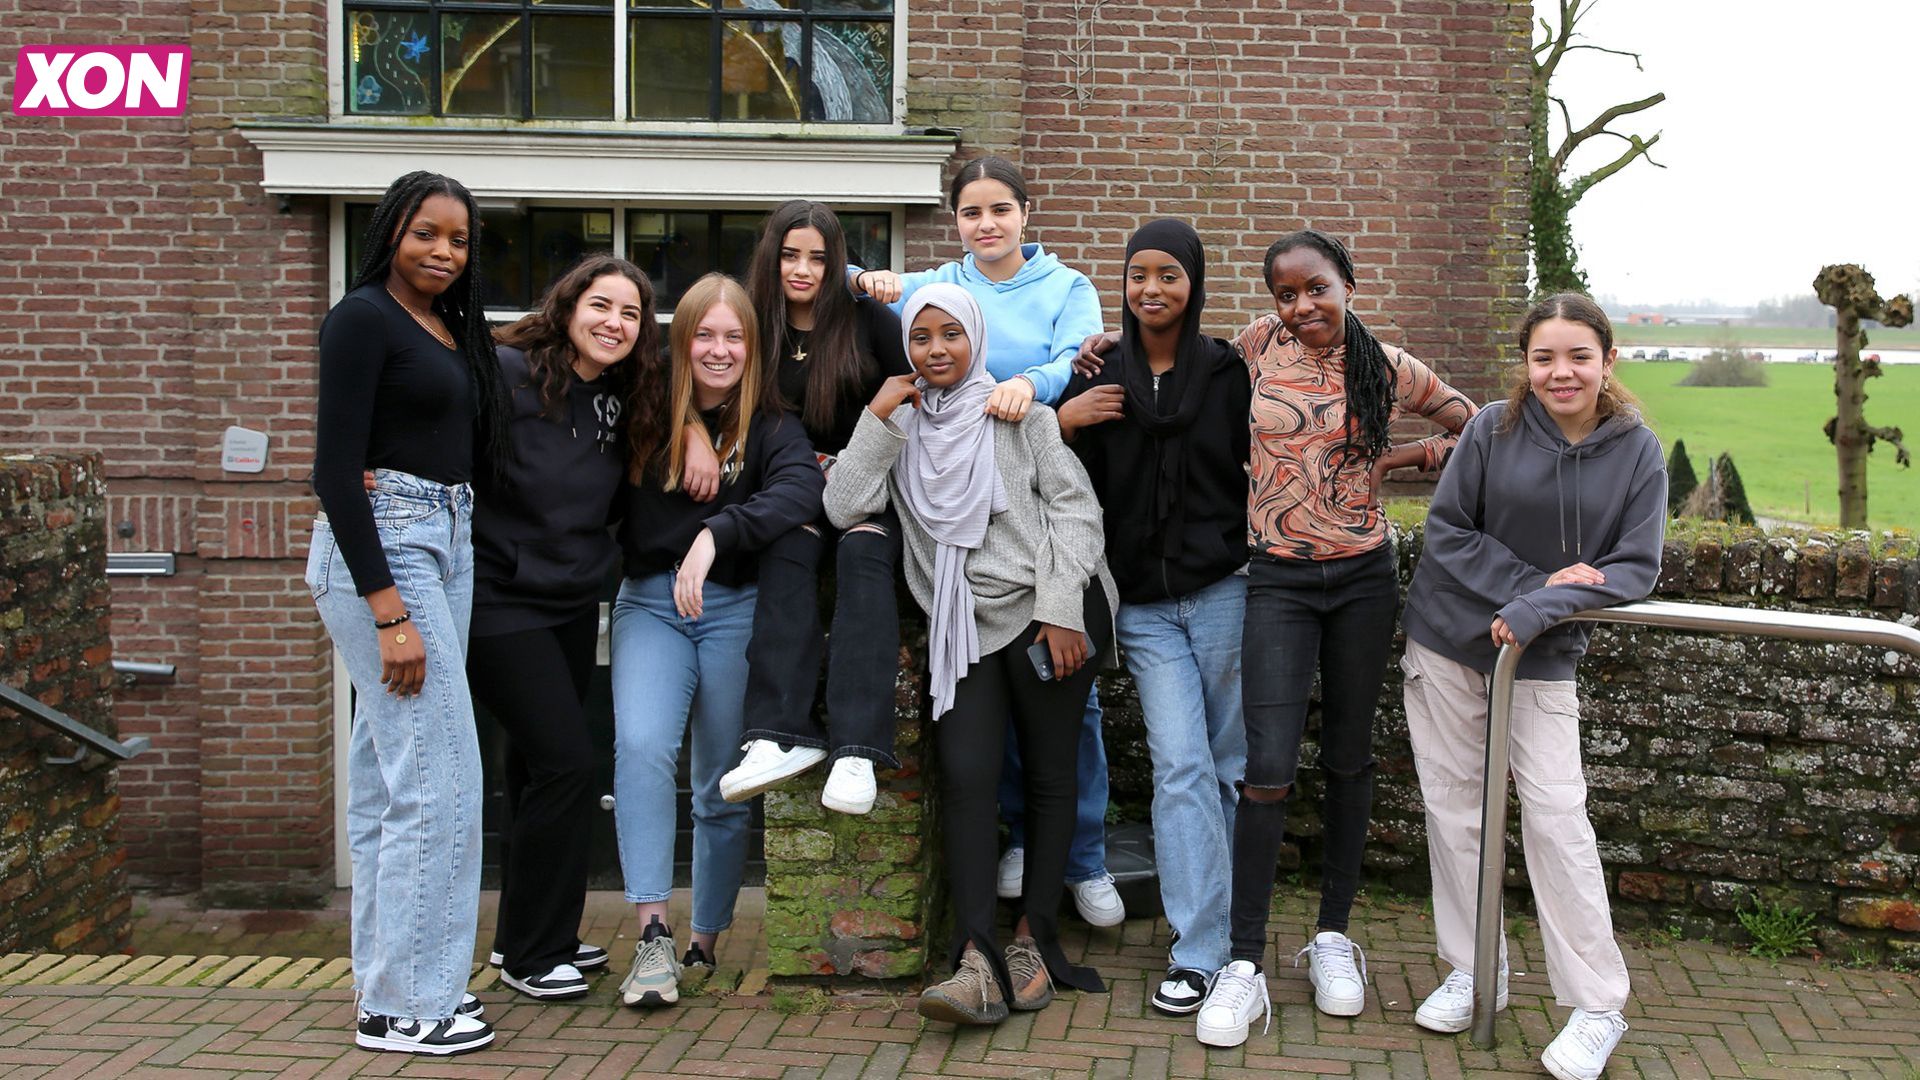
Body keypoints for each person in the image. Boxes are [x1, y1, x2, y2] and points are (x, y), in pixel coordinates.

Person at [1181, 229, 1476, 1047]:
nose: (1302, 305)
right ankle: (1243, 963)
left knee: (1349, 758)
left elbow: (1477, 427)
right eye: (1286, 294)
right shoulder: (1253, 348)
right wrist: (1100, 348)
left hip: (1362, 580)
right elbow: (1177, 367)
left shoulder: (1387, 365)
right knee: (1267, 770)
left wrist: (1403, 458)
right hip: (1276, 580)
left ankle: (1333, 937)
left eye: (1316, 287)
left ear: (1348, 283)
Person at [823, 283, 1117, 1025]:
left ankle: (1031, 939)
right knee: (967, 779)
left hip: (1050, 614)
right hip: (964, 629)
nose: (936, 349)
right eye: (921, 337)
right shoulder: (902, 429)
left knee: (1050, 776)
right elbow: (843, 504)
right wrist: (876, 417)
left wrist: (1060, 609)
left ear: (976, 338)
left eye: (951, 334)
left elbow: (1077, 514)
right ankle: (976, 958)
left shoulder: (1022, 417)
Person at [1401, 293, 1664, 1080]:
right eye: (1544, 357)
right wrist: (1533, 584)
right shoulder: (1492, 428)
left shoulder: (1637, 452)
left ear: (1608, 361)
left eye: (1579, 356)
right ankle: (1475, 967)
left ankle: (1597, 1006)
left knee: (1556, 818)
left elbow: (1634, 567)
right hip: (1447, 640)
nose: (1561, 372)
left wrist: (1539, 607)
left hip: (1541, 655)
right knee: (1455, 810)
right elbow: (1448, 532)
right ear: (1526, 363)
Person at [858, 157, 1124, 927]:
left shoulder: (1065, 286)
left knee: (1070, 712)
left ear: (1025, 212)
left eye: (1000, 209)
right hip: (957, 474)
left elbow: (1073, 361)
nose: (987, 224)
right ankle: (1021, 841)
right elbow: (844, 279)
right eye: (971, 212)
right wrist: (867, 277)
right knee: (992, 711)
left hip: (1031, 445)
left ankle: (1083, 857)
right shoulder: (944, 281)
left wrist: (1029, 390)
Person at [307, 170, 510, 1056]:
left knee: (396, 779)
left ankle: (386, 991)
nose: (443, 251)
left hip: (445, 538)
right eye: (427, 232)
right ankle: (414, 1004)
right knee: (442, 778)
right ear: (391, 229)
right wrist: (389, 612)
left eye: (459, 240)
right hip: (387, 549)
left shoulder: (448, 327)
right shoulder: (361, 318)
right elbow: (333, 469)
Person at [609, 273, 824, 1009]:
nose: (719, 349)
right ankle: (651, 933)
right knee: (642, 747)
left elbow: (801, 491)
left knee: (721, 782)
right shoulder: (643, 407)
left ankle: (703, 938)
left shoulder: (772, 425)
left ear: (753, 346)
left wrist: (716, 531)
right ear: (681, 341)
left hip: (735, 608)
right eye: (704, 334)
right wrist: (689, 428)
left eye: (734, 336)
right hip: (651, 605)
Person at [1056, 219, 1252, 1016]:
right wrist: (1066, 420)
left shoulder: (1229, 371)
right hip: (1141, 607)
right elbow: (1049, 475)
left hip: (1225, 591)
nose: (1151, 289)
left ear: (1194, 283)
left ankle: (1236, 930)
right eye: (1139, 274)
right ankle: (1199, 950)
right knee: (1180, 765)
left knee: (1229, 768)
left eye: (1169, 274)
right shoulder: (1099, 374)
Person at [462, 255, 655, 999]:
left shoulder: (622, 392)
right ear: (568, 306)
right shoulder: (507, 372)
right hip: (498, 602)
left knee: (532, 770)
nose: (614, 323)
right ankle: (536, 955)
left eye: (631, 313)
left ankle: (526, 936)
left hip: (572, 603)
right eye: (601, 305)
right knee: (567, 765)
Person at [715, 200, 913, 815]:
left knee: (862, 557)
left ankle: (857, 749)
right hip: (792, 488)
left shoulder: (868, 318)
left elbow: (915, 392)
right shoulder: (753, 324)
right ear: (771, 258)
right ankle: (778, 735)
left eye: (818, 259)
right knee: (786, 550)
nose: (802, 270)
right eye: (790, 255)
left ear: (837, 265)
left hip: (869, 488)